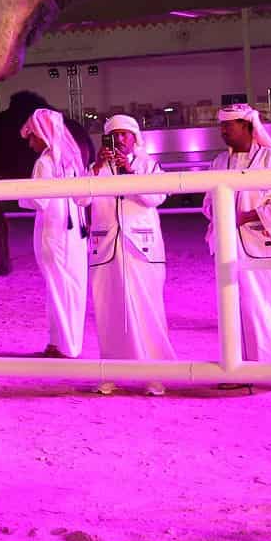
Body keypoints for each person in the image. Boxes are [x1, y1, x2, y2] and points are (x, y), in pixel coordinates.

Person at [204, 103, 271, 388]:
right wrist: (219, 214)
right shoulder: (219, 162)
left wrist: (248, 216)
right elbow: (208, 202)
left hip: (265, 247)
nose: (223, 131)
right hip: (229, 248)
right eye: (221, 126)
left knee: (269, 307)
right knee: (234, 309)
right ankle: (237, 370)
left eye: (228, 126)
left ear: (247, 127)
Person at [87, 114, 173, 396]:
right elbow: (80, 198)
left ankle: (154, 375)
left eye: (126, 134)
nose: (121, 140)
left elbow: (154, 198)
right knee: (110, 310)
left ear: (136, 138)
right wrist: (98, 167)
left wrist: (130, 173)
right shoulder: (96, 168)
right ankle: (112, 372)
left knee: (147, 309)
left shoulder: (149, 165)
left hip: (141, 250)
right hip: (106, 249)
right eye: (115, 135)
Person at [18, 108, 88, 359]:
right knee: (71, 286)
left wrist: (20, 194)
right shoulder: (72, 159)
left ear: (44, 135)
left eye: (32, 136)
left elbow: (39, 200)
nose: (30, 142)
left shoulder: (46, 162)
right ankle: (62, 342)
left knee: (58, 287)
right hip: (75, 234)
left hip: (54, 232)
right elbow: (84, 199)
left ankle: (64, 346)